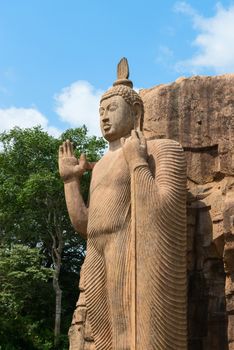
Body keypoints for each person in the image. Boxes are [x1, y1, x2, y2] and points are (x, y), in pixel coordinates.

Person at [59, 58, 187, 350]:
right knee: (106, 336)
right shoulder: (100, 165)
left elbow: (167, 210)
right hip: (96, 253)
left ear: (136, 111)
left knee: (138, 330)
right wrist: (70, 183)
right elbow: (86, 225)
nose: (104, 117)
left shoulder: (160, 149)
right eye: (100, 111)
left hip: (128, 247)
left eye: (111, 109)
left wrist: (138, 162)